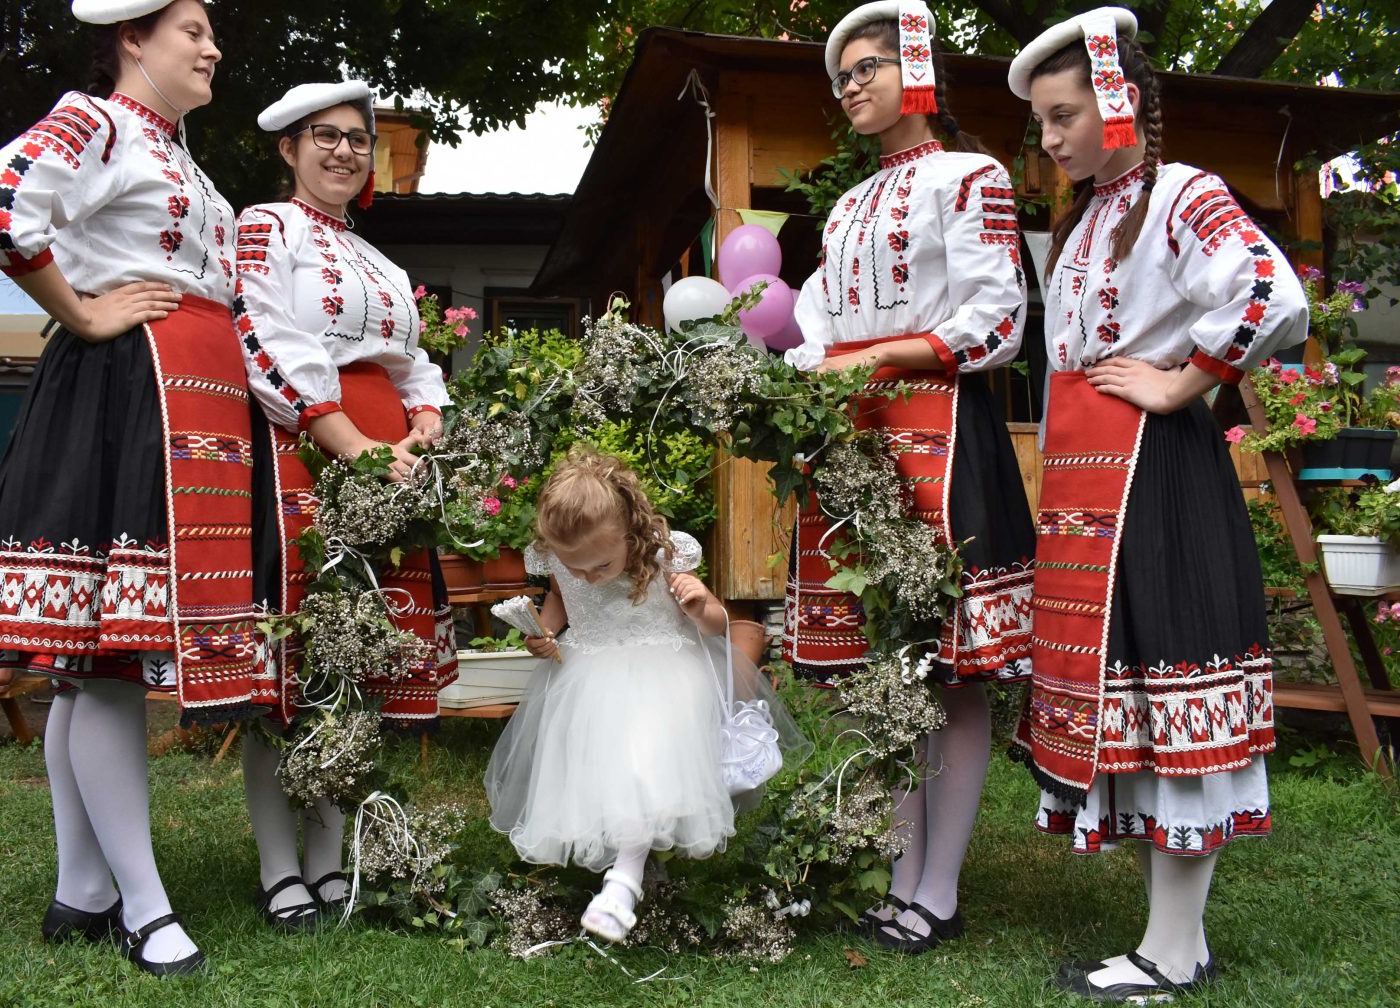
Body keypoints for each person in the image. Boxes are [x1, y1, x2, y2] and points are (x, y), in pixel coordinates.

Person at [1006, 7, 1308, 1000]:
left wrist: (1184, 383)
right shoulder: (1087, 215)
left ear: (1119, 101)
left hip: (1155, 477)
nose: (1050, 140)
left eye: (1063, 116)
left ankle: (1172, 954)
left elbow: (1271, 293)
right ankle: (1173, 939)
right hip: (1088, 486)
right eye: (1043, 123)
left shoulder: (1183, 192)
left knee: (1168, 693)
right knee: (1127, 708)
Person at [0, 0, 248, 976]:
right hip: (124, 397)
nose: (212, 46)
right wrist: (81, 310)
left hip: (177, 407)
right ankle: (144, 907)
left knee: (86, 663)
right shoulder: (99, 121)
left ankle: (82, 886)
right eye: (191, 29)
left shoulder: (181, 158)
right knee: (109, 659)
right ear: (133, 37)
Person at [782, 0, 1035, 955]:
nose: (851, 86)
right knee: (876, 665)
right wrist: (804, 383)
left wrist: (876, 357)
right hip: (854, 436)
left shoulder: (972, 175)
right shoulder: (847, 203)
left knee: (948, 668)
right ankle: (898, 870)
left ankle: (940, 886)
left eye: (869, 68)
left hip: (940, 429)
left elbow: (997, 317)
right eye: (841, 76)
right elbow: (816, 324)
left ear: (916, 71)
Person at [232, 80, 455, 929]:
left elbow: (413, 360)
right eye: (323, 136)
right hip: (305, 450)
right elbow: (260, 333)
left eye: (358, 139)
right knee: (296, 664)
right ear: (288, 149)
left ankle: (328, 858)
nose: (343, 151)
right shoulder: (265, 226)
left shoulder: (381, 262)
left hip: (389, 458)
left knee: (357, 663)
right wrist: (351, 444)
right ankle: (277, 865)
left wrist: (424, 423)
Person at [484, 447, 803, 944]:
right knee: (605, 771)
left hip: (666, 674)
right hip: (590, 675)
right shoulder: (566, 561)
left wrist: (699, 607)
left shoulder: (664, 556)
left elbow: (719, 623)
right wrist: (542, 632)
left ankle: (623, 885)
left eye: (600, 565)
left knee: (643, 762)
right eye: (576, 568)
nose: (589, 577)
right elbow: (560, 599)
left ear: (630, 532)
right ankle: (640, 863)